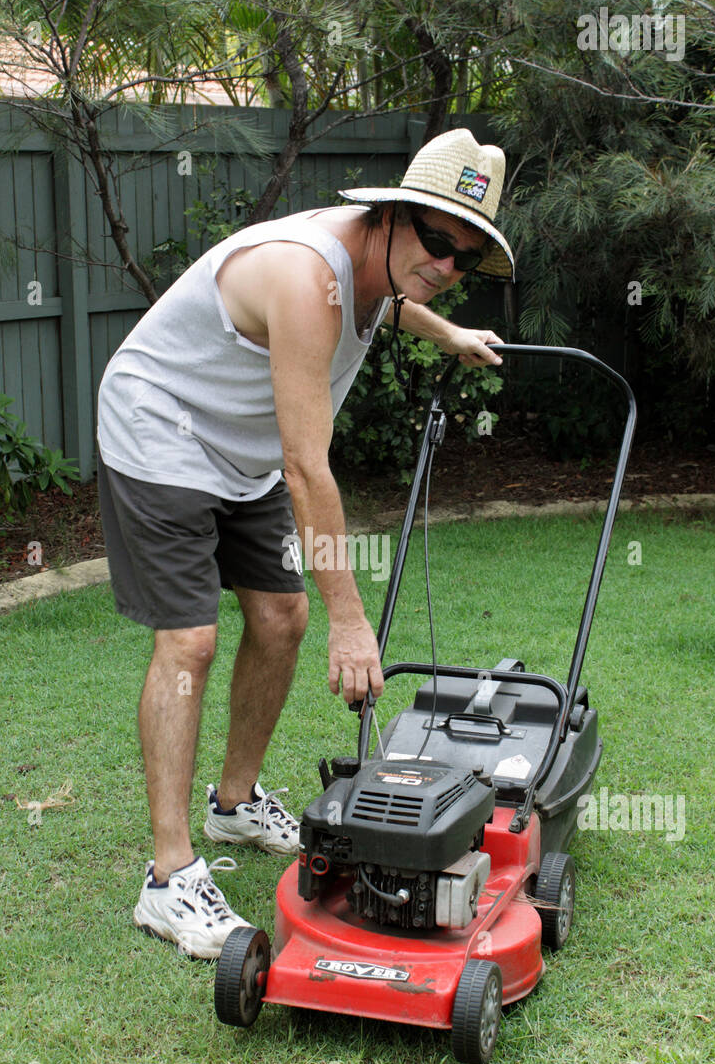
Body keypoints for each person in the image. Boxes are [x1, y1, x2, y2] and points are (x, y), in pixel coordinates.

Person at [95, 127, 515, 960]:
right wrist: (351, 619)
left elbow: (391, 302)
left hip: (242, 452)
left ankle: (235, 800)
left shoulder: (380, 266)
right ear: (391, 216)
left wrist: (448, 335)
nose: (446, 266)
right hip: (161, 430)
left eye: (466, 259)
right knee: (190, 638)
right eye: (436, 241)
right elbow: (306, 466)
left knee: (281, 618)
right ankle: (169, 878)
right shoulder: (301, 272)